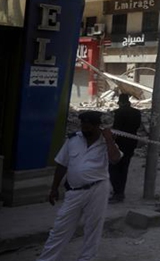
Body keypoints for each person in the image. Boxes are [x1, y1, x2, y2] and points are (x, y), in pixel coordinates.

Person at [38, 111, 122, 261]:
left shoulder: (106, 141)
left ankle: (86, 258)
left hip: (98, 188)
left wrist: (109, 140)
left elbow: (115, 159)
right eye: (83, 126)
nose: (85, 129)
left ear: (98, 126)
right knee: (60, 228)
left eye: (89, 127)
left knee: (93, 228)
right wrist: (54, 188)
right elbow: (62, 164)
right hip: (74, 191)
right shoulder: (73, 140)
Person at [109, 93, 141, 203]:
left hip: (120, 143)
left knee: (114, 168)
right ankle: (120, 192)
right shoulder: (137, 113)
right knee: (124, 168)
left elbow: (116, 129)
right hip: (131, 143)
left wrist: (110, 141)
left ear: (120, 103)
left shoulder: (119, 113)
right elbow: (137, 127)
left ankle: (117, 192)